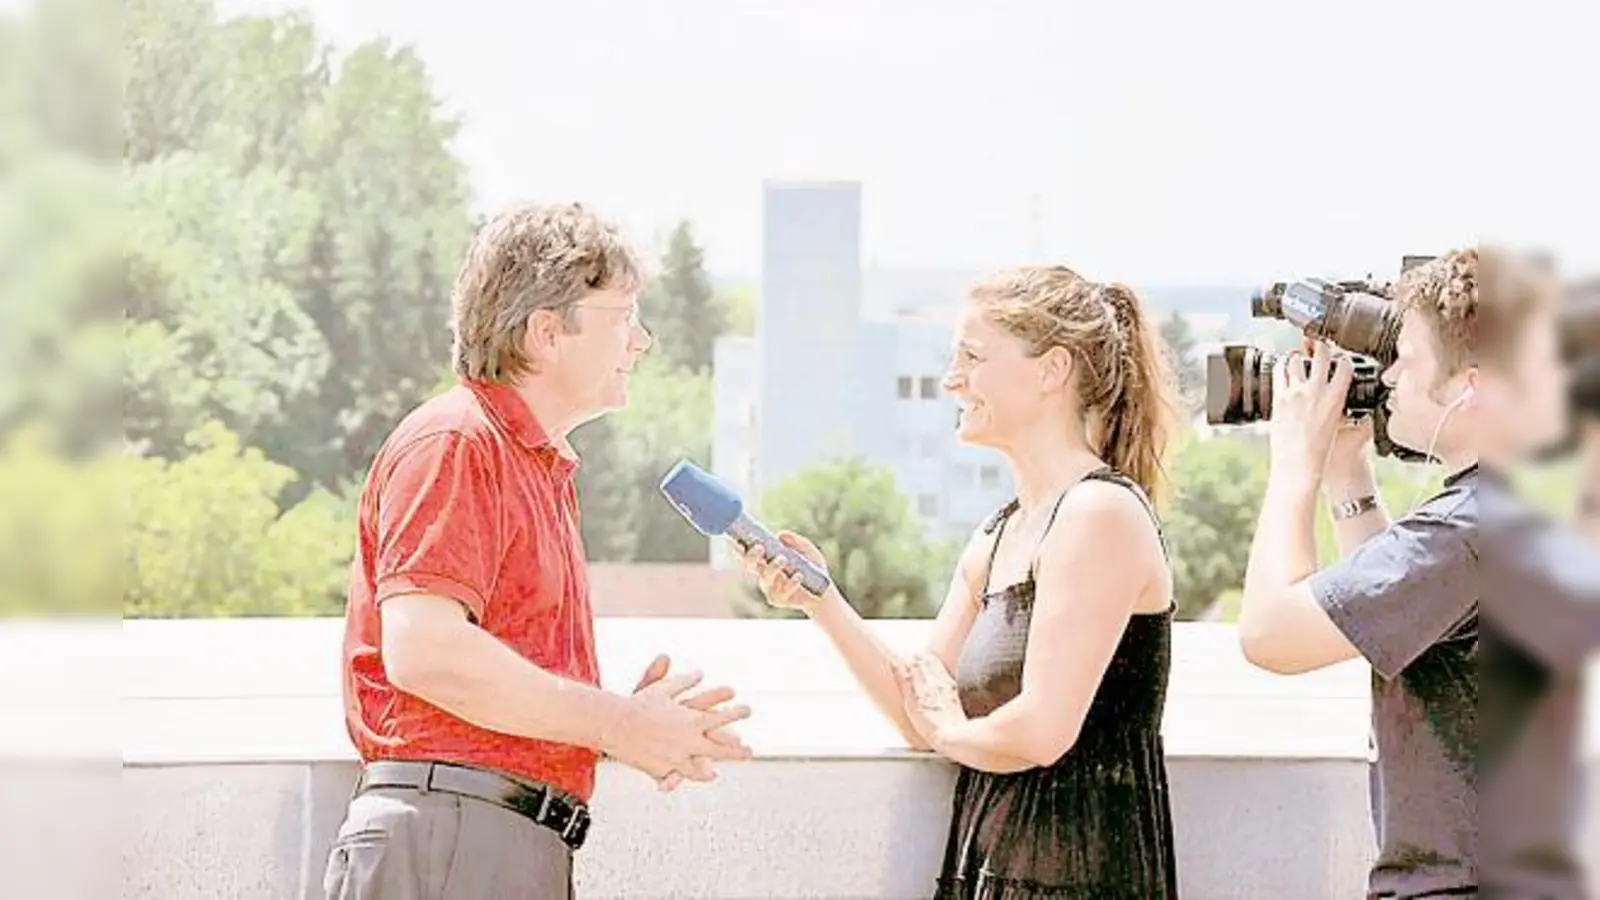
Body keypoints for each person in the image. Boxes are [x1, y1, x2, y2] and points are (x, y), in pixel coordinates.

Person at [322, 202, 753, 900]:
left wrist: (633, 727)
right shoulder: (458, 443)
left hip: (486, 838)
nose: (641, 341)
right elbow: (425, 652)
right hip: (456, 839)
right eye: (624, 317)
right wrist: (619, 722)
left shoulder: (525, 463)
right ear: (546, 333)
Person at [740, 265, 1183, 898]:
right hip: (994, 873)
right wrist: (821, 600)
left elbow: (1041, 730)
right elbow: (921, 710)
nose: (952, 379)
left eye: (972, 356)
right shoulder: (998, 535)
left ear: (1051, 371)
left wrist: (950, 729)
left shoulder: (1099, 515)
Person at [1236, 246, 1596, 898]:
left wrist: (1294, 464)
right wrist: (1347, 470)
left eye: (1405, 356)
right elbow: (1398, 623)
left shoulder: (1469, 530)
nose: (1390, 376)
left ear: (1472, 386)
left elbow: (1269, 635)